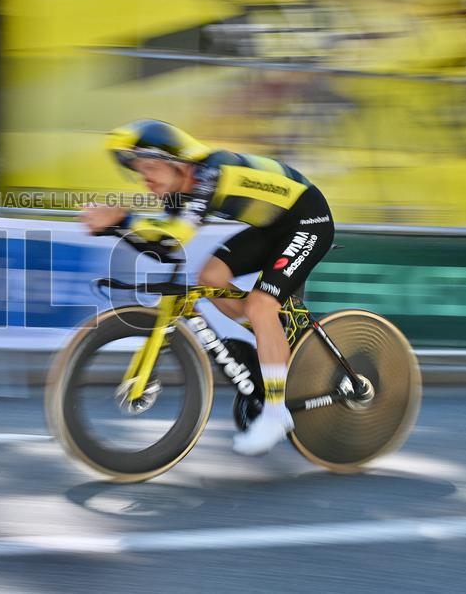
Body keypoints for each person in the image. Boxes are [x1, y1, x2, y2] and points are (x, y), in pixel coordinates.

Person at [81, 119, 334, 455]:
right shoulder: (178, 192)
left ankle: (276, 414)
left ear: (178, 162)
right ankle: (271, 339)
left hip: (308, 220)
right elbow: (164, 250)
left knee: (261, 306)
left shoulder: (210, 172)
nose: (147, 178)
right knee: (210, 278)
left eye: (151, 167)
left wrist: (121, 220)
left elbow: (175, 236)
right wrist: (111, 229)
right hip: (272, 226)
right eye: (140, 171)